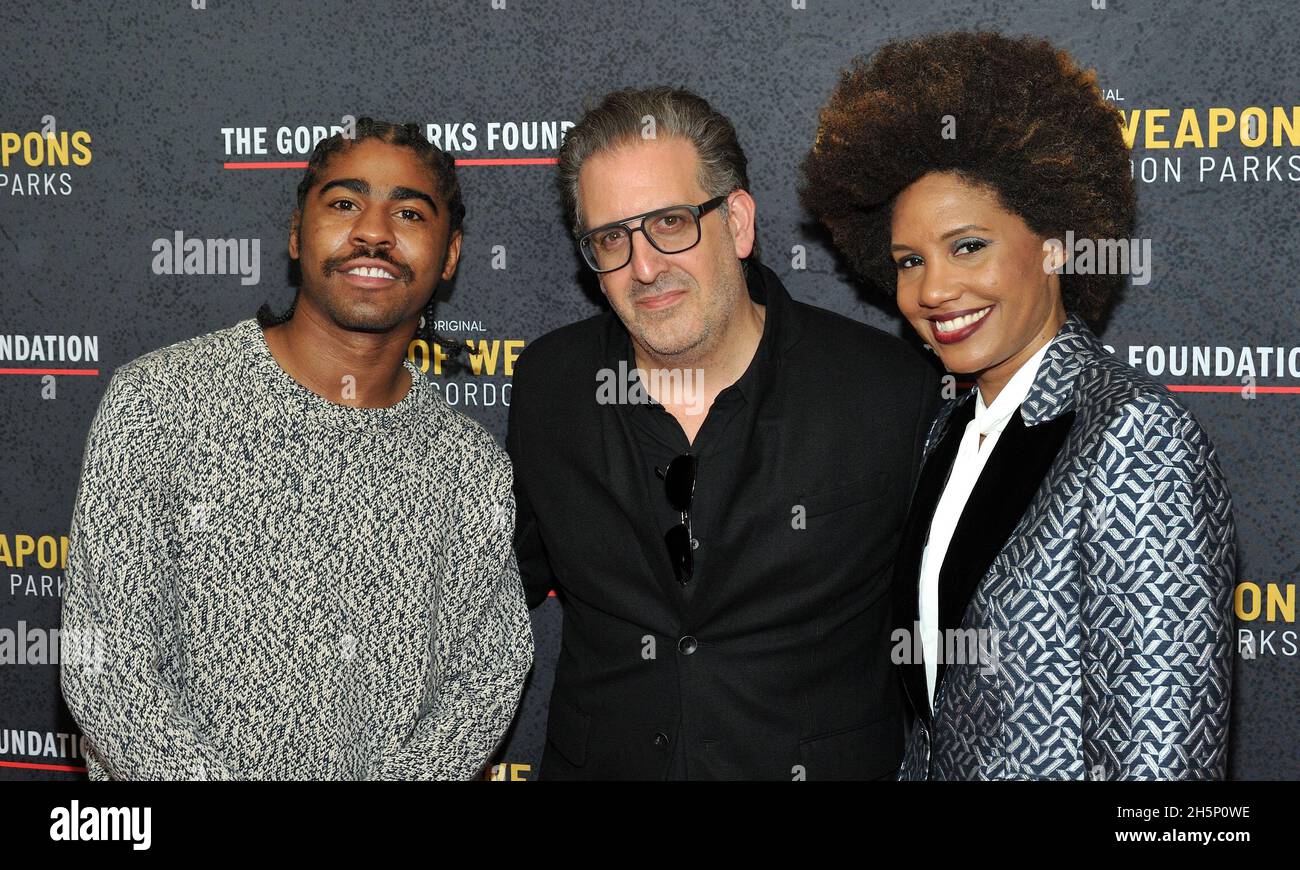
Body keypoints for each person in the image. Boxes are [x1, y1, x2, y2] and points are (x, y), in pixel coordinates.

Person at [800, 32, 1237, 779]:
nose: (933, 290)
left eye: (967, 247)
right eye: (910, 261)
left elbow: (1164, 775)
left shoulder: (1134, 438)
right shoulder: (949, 431)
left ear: (1057, 245)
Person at [60, 118, 533, 780]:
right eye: (344, 203)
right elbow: (104, 664)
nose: (373, 231)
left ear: (449, 255)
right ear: (294, 233)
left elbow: (488, 674)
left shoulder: (468, 466)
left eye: (409, 212)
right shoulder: (160, 402)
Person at [508, 86, 940, 780]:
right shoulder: (550, 387)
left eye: (672, 222)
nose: (644, 267)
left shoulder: (887, 390)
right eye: (610, 239)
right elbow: (492, 595)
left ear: (737, 222)